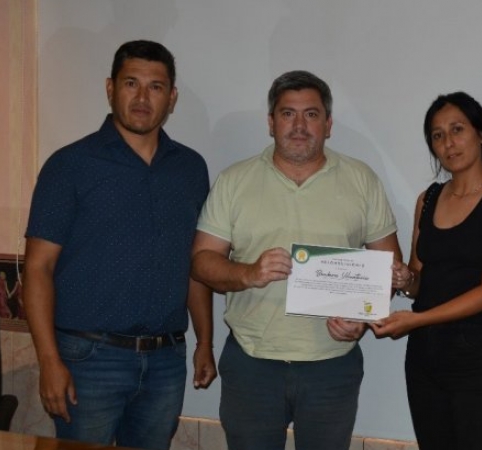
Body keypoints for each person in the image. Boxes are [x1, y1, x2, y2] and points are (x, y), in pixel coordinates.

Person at [190, 70, 402, 450]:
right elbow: (202, 261)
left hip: (332, 367)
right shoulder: (234, 181)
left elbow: (388, 268)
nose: (299, 126)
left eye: (311, 114)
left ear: (328, 124)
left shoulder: (362, 179)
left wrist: (361, 318)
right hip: (252, 363)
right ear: (271, 122)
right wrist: (248, 273)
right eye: (288, 114)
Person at [23, 40, 216, 450]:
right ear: (110, 88)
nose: (143, 97)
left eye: (155, 87)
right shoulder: (69, 165)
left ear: (172, 98)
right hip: (88, 358)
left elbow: (196, 264)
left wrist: (205, 342)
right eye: (131, 83)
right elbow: (38, 268)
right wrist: (49, 360)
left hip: (166, 361)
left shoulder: (190, 169)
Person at [370, 92, 482, 450]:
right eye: (438, 135)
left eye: (457, 129)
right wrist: (406, 280)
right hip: (426, 357)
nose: (448, 143)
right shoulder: (428, 199)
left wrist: (417, 320)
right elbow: (418, 280)